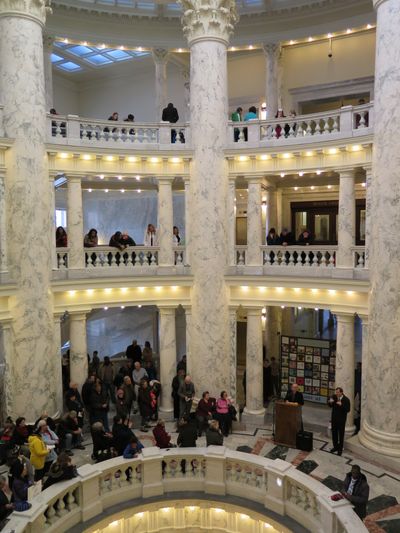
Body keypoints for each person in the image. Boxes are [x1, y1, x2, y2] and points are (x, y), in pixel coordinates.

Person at [328, 387, 350, 456]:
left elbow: (348, 410)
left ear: (341, 392)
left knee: (341, 435)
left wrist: (341, 405)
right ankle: (335, 447)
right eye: (336, 392)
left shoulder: (346, 400)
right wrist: (329, 402)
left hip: (341, 421)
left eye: (338, 392)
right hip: (334, 419)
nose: (336, 394)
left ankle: (340, 449)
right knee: (334, 434)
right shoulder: (334, 397)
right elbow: (330, 405)